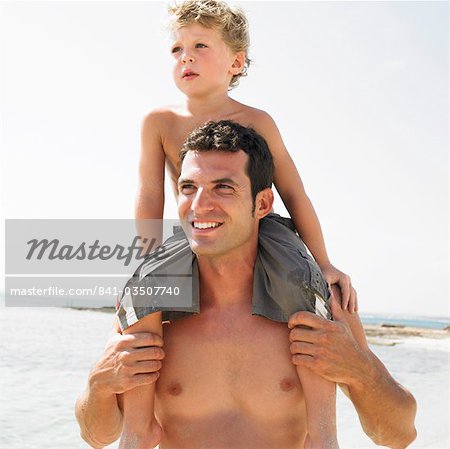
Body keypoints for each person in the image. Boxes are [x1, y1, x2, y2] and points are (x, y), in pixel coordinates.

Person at [75, 120, 417, 449]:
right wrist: (99, 384)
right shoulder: (155, 308)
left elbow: (398, 434)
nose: (199, 205)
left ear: (263, 204)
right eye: (188, 187)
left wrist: (361, 370)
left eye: (223, 187)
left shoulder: (320, 306)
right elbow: (96, 437)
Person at [114, 1, 359, 447]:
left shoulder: (257, 121)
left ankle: (324, 434)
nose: (184, 56)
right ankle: (136, 430)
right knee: (140, 292)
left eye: (200, 45)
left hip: (264, 231)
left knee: (305, 288)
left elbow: (294, 193)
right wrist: (146, 256)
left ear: (236, 62)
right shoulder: (159, 121)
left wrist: (323, 262)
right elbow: (149, 193)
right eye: (176, 48)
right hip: (198, 234)